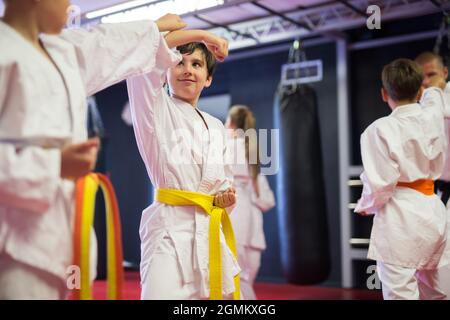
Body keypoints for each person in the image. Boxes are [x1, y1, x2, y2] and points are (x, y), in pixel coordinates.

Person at [0, 0, 186, 299]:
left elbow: (100, 44)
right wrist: (53, 166)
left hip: (60, 235)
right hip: (12, 249)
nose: (71, 6)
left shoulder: (60, 52)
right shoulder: (5, 52)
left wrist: (152, 29)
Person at [126, 28, 240, 299]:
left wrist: (226, 198)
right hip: (168, 234)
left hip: (208, 234)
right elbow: (147, 61)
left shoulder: (216, 127)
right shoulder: (156, 109)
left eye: (197, 64)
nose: (187, 69)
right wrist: (206, 37)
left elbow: (224, 185)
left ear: (208, 78)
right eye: (179, 62)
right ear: (166, 73)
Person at [354, 58, 450, 299]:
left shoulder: (379, 129)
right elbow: (435, 97)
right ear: (420, 90)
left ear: (384, 93)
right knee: (438, 292)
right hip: (433, 211)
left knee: (400, 295)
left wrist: (365, 205)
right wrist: (436, 83)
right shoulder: (433, 116)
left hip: (399, 216)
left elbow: (380, 184)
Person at [225, 105, 275, 300]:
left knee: (233, 277)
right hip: (252, 227)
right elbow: (268, 202)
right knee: (244, 278)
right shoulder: (252, 156)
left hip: (234, 217)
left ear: (230, 122)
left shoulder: (224, 144)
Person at [415, 51, 450, 299]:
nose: (426, 82)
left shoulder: (437, 101)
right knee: (431, 264)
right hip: (431, 191)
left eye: (432, 75)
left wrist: (434, 95)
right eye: (422, 78)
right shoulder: (417, 105)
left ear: (445, 73)